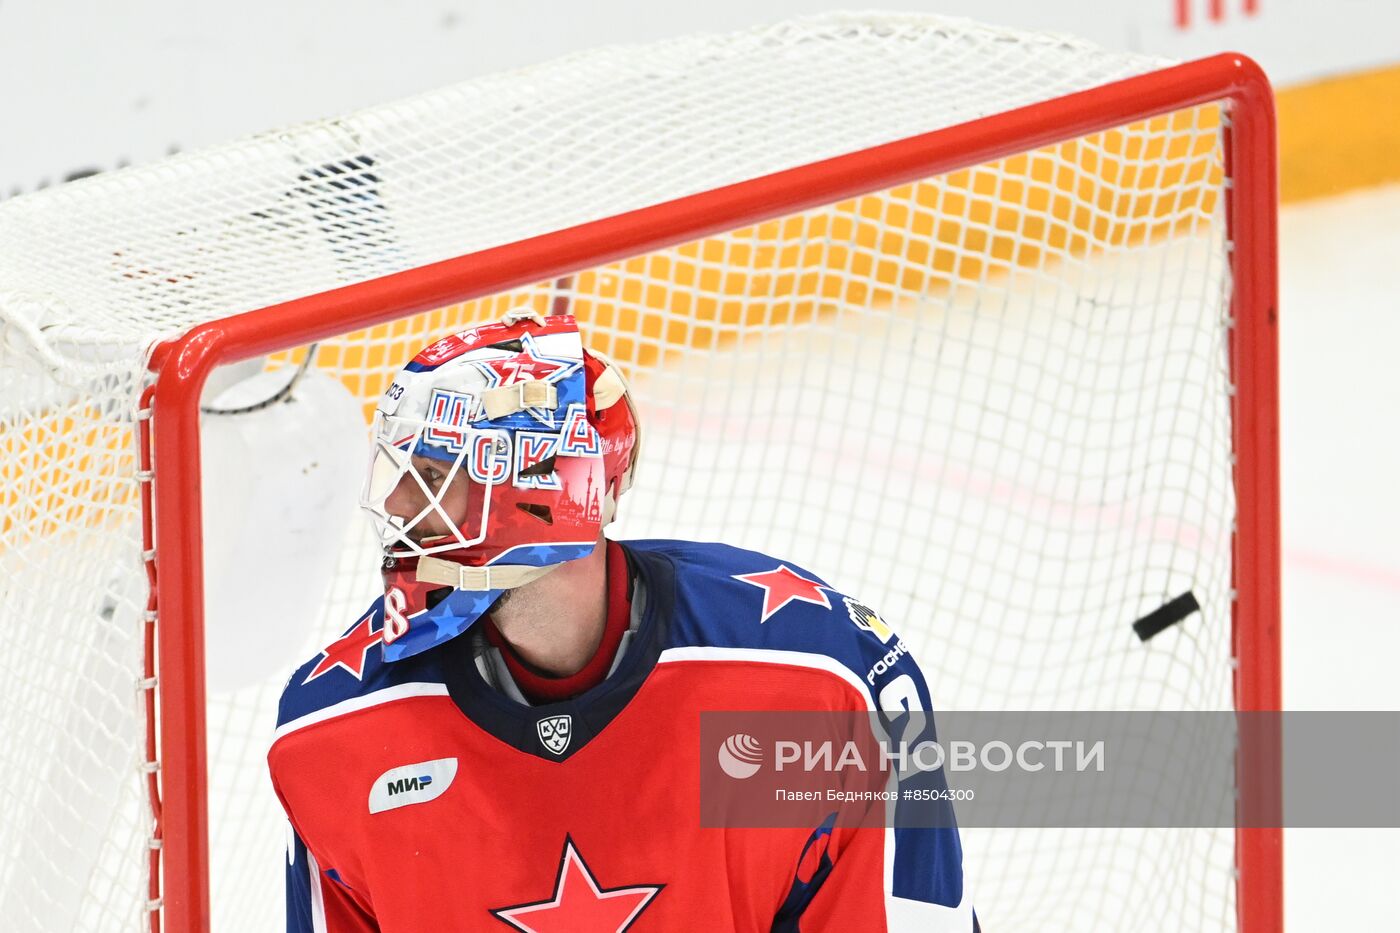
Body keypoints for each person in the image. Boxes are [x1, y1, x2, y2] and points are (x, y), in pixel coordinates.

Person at [269, 308, 975, 931]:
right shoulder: (329, 734)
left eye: (431, 471)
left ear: (546, 492)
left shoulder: (817, 680)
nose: (395, 503)